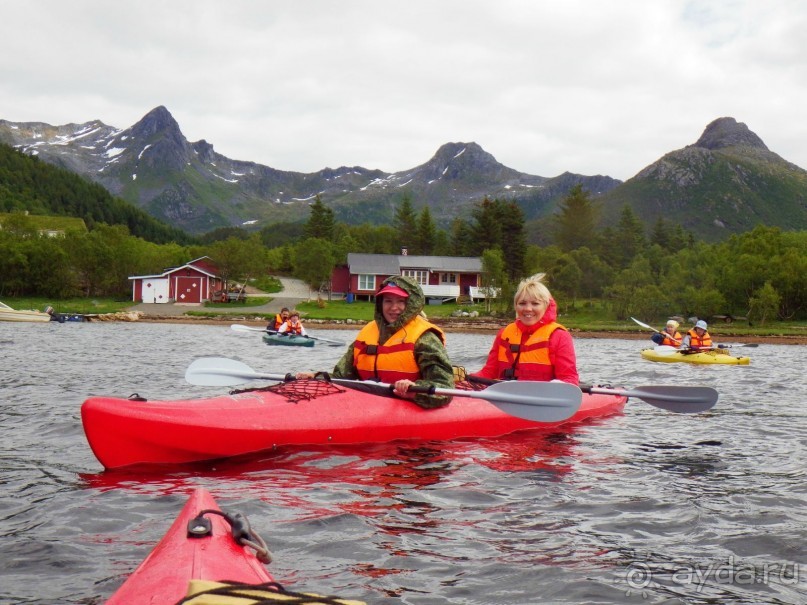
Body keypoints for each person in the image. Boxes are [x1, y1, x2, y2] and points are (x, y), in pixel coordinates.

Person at [296, 275, 454, 409]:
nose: (394, 307)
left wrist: (415, 391)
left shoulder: (425, 337)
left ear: (411, 305)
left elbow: (444, 386)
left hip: (407, 404)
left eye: (401, 301)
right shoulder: (368, 332)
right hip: (368, 404)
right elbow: (341, 376)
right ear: (380, 304)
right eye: (388, 301)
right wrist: (317, 376)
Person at [471, 273, 579, 385]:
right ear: (516, 305)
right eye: (522, 303)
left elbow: (569, 379)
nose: (528, 309)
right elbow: (489, 373)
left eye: (535, 304)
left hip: (544, 397)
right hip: (505, 395)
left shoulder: (559, 336)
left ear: (546, 306)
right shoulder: (504, 334)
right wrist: (463, 377)